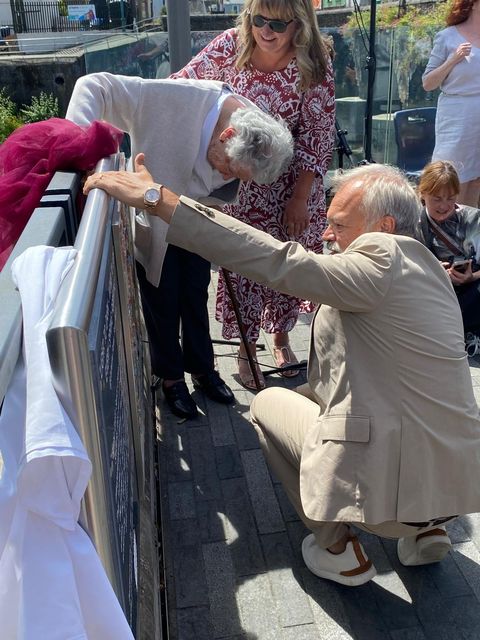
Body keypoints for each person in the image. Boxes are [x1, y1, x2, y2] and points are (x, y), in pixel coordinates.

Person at [84, 158, 480, 586]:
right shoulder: (429, 273)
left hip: (390, 505)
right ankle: (428, 535)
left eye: (339, 225)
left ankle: (338, 548)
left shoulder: (380, 257)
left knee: (269, 402)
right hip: (454, 490)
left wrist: (158, 201)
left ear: (384, 227)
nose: (326, 235)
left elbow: (279, 260)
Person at [66, 73, 293, 419]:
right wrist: (76, 153)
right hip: (156, 223)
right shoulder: (172, 98)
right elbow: (94, 85)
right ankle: (171, 379)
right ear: (226, 135)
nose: (228, 178)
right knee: (162, 299)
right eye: (230, 169)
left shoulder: (254, 123)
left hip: (200, 220)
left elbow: (234, 171)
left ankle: (203, 371)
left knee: (195, 291)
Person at [171, 0, 336, 389]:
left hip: (292, 188)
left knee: (287, 266)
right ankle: (247, 350)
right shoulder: (230, 45)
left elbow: (317, 135)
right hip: (239, 190)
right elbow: (183, 84)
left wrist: (299, 198)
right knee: (243, 267)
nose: (266, 31)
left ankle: (280, 339)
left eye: (278, 24)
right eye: (258, 19)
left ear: (299, 24)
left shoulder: (313, 62)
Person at [416, 160, 480, 353]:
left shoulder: (473, 218)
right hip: (430, 288)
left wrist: (472, 276)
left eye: (450, 198)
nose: (444, 206)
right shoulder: (412, 223)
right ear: (423, 194)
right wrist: (432, 270)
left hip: (470, 288)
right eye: (437, 199)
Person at [422, 0, 480, 207]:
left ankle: (470, 232)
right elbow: (428, 83)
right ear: (472, 4)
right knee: (450, 177)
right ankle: (442, 231)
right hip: (457, 115)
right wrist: (453, 59)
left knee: (476, 182)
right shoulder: (448, 37)